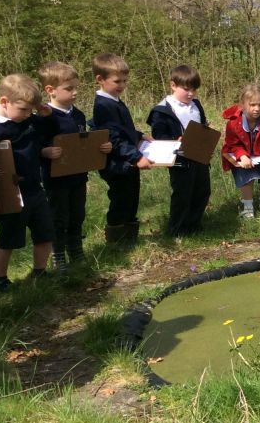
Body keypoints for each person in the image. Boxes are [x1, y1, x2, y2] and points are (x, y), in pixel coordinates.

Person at [0, 74, 57, 293]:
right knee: (9, 237)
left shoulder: (29, 120)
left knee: (45, 231)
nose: (27, 115)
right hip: (8, 193)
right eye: (23, 110)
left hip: (34, 188)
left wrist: (47, 115)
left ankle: (40, 272)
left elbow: (49, 131)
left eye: (31, 111)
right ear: (4, 102)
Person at [37, 62, 111, 269]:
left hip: (78, 176)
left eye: (76, 87)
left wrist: (101, 146)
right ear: (50, 90)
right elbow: (34, 145)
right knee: (58, 217)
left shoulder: (77, 115)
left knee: (77, 215)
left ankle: (76, 251)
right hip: (55, 179)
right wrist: (45, 151)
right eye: (69, 89)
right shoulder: (43, 117)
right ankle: (58, 255)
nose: (75, 92)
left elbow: (84, 143)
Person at [91, 53, 153, 245]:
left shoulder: (115, 100)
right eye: (117, 81)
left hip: (126, 162)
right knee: (121, 199)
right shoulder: (103, 105)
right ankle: (117, 242)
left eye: (125, 81)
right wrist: (136, 157)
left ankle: (130, 238)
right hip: (116, 164)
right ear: (100, 80)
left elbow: (123, 129)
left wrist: (139, 135)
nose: (122, 85)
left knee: (132, 197)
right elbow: (114, 137)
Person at [146, 65, 212, 237]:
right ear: (173, 85)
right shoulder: (162, 110)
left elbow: (203, 125)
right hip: (179, 158)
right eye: (186, 89)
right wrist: (175, 141)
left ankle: (194, 225)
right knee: (183, 193)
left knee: (202, 190)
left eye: (194, 90)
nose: (191, 94)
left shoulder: (196, 105)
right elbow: (159, 135)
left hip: (199, 155)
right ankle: (177, 229)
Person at [221, 84, 260, 219]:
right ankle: (248, 208)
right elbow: (233, 144)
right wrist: (243, 156)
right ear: (243, 105)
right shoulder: (233, 123)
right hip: (240, 158)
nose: (257, 109)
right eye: (252, 105)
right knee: (247, 180)